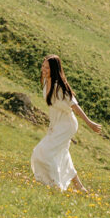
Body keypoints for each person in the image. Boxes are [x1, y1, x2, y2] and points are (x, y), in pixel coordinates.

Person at [31, 55, 102, 192]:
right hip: (57, 124)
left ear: (54, 69)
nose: (43, 69)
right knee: (62, 153)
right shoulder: (46, 82)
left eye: (47, 67)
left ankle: (55, 184)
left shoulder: (60, 87)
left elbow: (74, 106)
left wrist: (90, 123)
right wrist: (52, 126)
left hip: (67, 125)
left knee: (43, 152)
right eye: (43, 66)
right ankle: (80, 187)